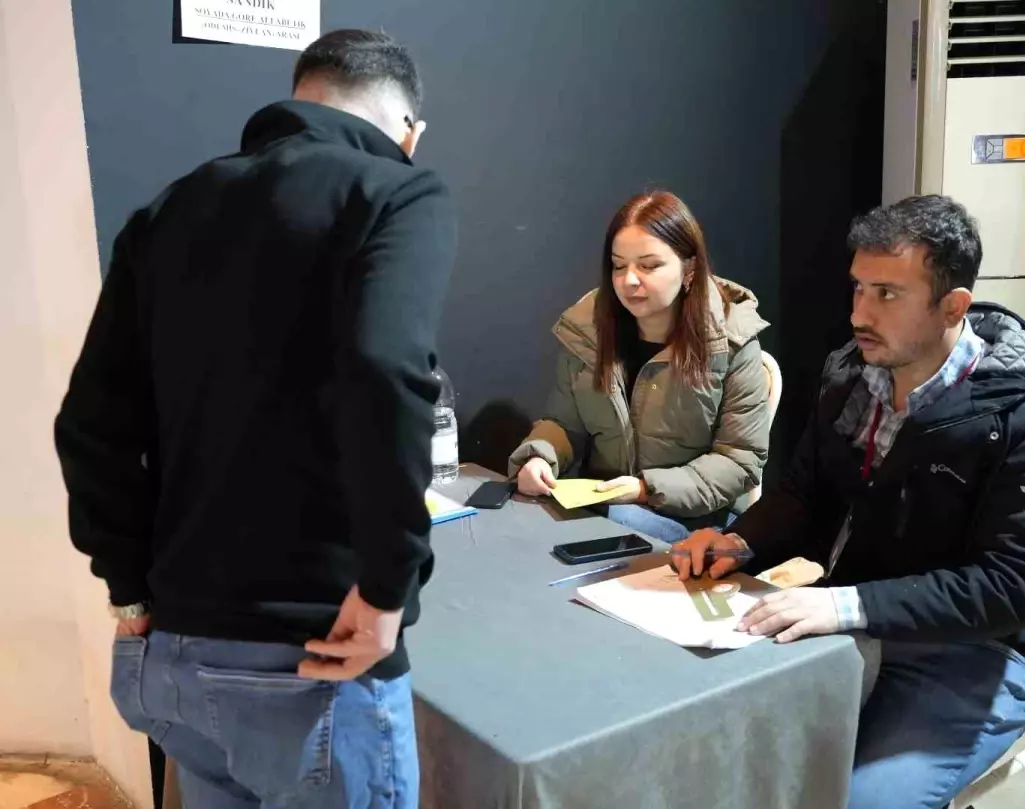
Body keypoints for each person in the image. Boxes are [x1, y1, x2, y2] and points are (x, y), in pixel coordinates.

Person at [55, 29, 456, 809]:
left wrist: (127, 587)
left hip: (170, 651)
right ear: (409, 131)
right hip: (312, 659)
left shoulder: (169, 208)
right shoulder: (397, 191)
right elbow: (386, 370)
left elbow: (90, 422)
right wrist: (387, 589)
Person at [673, 195, 1025, 809]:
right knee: (707, 750)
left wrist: (848, 605)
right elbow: (806, 494)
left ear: (953, 307)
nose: (859, 314)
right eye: (858, 288)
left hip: (980, 652)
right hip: (860, 619)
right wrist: (741, 542)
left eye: (888, 294)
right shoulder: (852, 376)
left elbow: (1016, 588)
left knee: (858, 802)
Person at [509, 190, 770, 543]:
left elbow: (739, 461)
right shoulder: (587, 332)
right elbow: (564, 424)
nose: (629, 280)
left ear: (690, 268)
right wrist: (540, 457)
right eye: (619, 266)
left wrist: (646, 489)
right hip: (605, 509)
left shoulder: (732, 340)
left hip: (695, 524)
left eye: (648, 266)